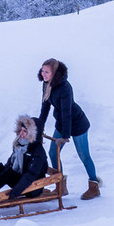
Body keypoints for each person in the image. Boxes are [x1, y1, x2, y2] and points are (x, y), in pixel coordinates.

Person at [38, 57, 101, 200]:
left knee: (84, 155)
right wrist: (39, 128)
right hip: (61, 122)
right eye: (42, 71)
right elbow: (45, 107)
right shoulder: (46, 84)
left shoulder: (65, 87)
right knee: (53, 153)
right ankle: (61, 186)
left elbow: (67, 113)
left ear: (54, 73)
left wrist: (65, 136)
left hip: (77, 123)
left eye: (47, 72)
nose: (43, 74)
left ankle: (94, 186)